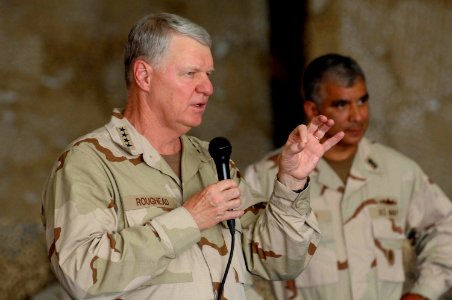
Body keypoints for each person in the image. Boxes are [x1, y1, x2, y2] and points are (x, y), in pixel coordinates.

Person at [41, 13, 344, 300]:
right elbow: (80, 277)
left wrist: (291, 183)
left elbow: (280, 263)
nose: (208, 88)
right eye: (190, 74)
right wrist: (190, 219)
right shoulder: (88, 162)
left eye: (208, 75)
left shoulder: (213, 161)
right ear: (144, 76)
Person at [244, 53, 452, 300]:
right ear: (312, 109)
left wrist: (423, 293)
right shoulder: (267, 177)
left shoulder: (399, 171)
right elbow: (234, 261)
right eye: (341, 104)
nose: (358, 116)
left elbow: (445, 229)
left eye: (362, 101)